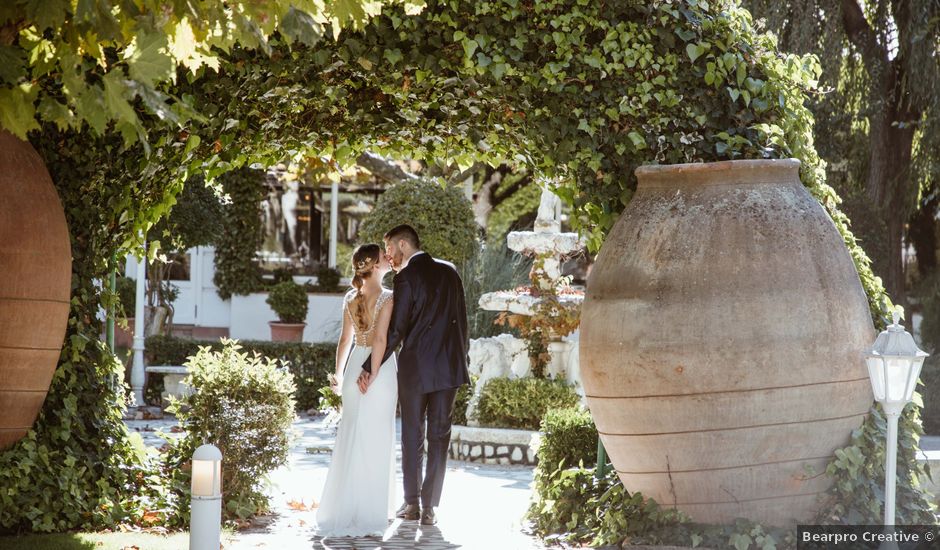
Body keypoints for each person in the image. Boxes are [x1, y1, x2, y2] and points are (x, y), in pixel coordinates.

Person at [358, 224, 471, 526]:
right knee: (439, 437)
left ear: (404, 245)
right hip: (449, 367)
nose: (388, 256)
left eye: (390, 249)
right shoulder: (451, 272)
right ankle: (430, 507)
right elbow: (463, 322)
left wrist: (369, 367)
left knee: (412, 435)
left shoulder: (405, 278)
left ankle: (412, 505)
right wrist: (462, 359)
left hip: (416, 370)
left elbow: (395, 332)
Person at [315, 244, 397, 537]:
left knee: (351, 436)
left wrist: (338, 376)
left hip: (352, 370)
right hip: (380, 371)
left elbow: (344, 341)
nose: (389, 259)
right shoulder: (388, 297)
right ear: (375, 265)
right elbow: (381, 340)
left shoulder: (351, 298)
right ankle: (370, 510)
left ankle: (343, 506)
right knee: (376, 436)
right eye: (384, 257)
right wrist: (373, 372)